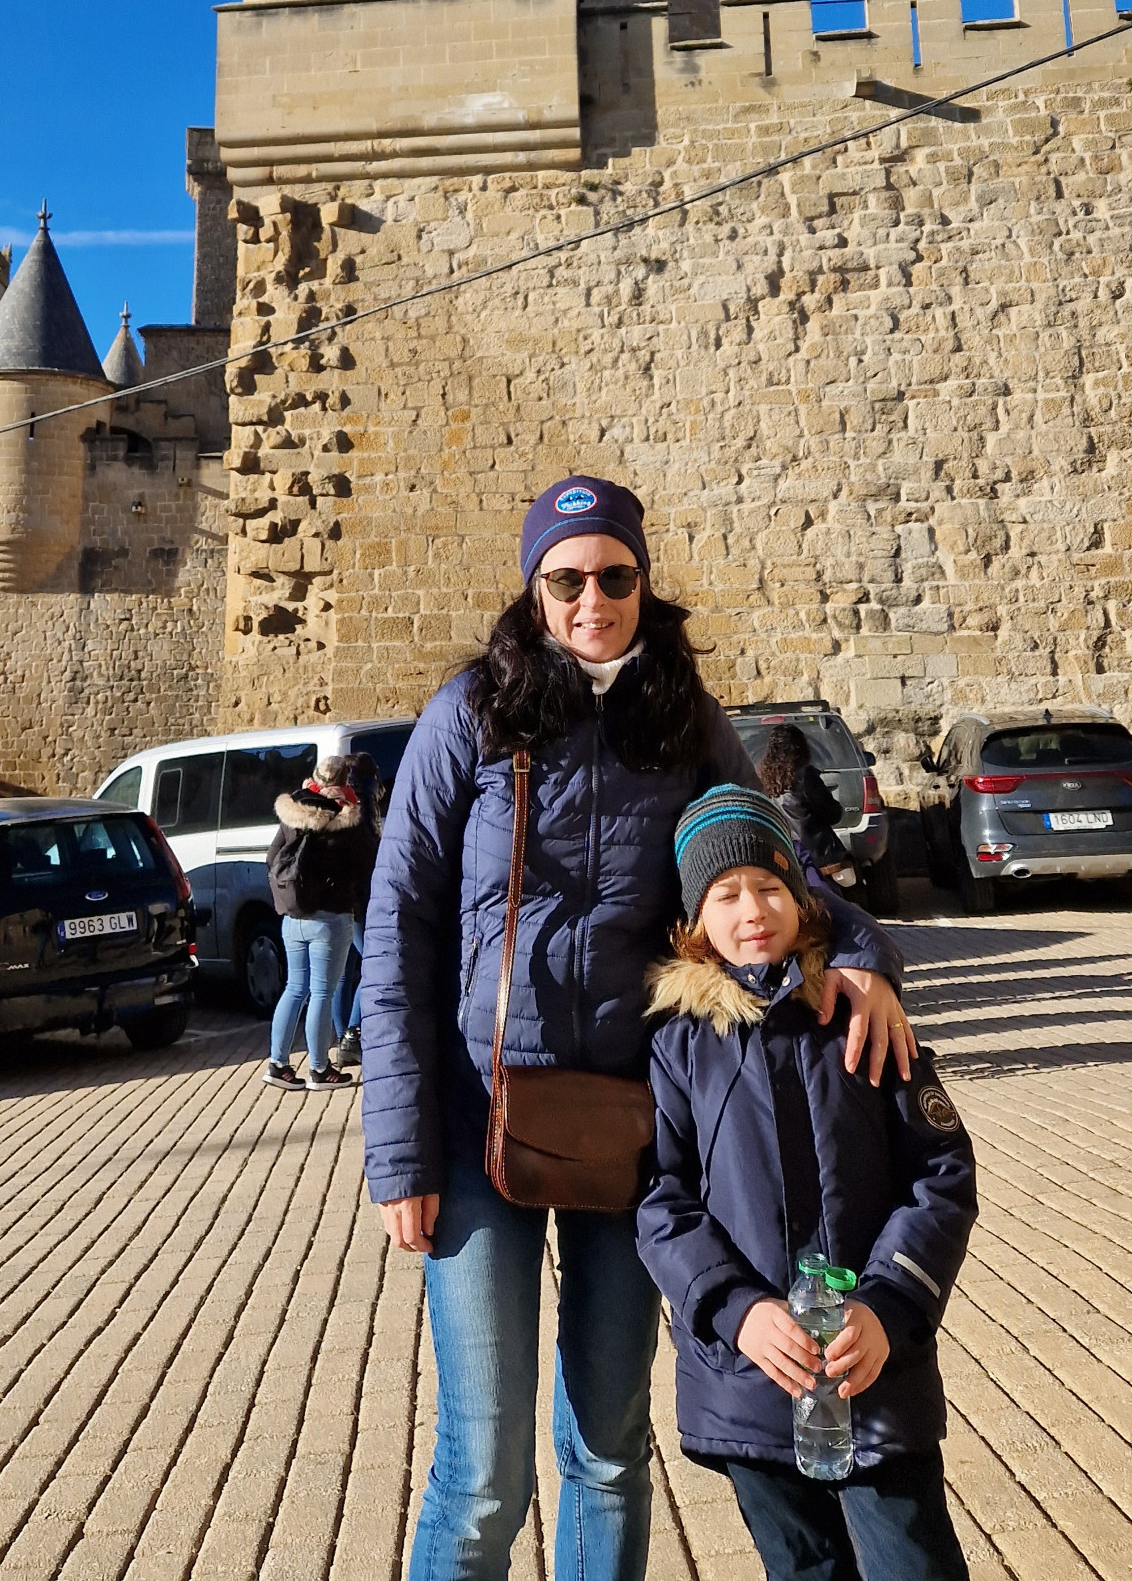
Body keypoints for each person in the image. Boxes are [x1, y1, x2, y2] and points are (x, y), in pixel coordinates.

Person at [362, 476, 916, 1581]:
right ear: (531, 591)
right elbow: (397, 925)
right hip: (479, 1117)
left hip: (635, 1122)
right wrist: (397, 1149)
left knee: (609, 1450)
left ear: (642, 581)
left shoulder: (678, 710)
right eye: (564, 578)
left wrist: (858, 954)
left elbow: (775, 870)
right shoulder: (467, 711)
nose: (591, 599)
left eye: (614, 575)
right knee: (481, 1467)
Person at [639, 786, 977, 1581]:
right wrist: (735, 1310)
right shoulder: (678, 1046)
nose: (752, 908)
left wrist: (892, 1304)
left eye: (771, 886)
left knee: (912, 1561)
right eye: (726, 894)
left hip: (873, 1368)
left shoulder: (858, 1013)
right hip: (750, 1381)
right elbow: (662, 1199)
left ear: (802, 898)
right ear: (696, 923)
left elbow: (940, 1172)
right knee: (804, 1568)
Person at [265, 734, 376, 1092]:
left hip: (293, 917)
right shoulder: (347, 819)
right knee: (323, 992)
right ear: (345, 782)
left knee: (294, 988)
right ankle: (319, 1069)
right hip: (331, 917)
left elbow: (273, 859)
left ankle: (278, 1064)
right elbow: (367, 865)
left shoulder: (293, 813)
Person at [330, 748, 384, 1071]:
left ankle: (341, 1036)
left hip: (342, 899)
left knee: (344, 971)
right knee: (373, 963)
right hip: (360, 901)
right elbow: (367, 858)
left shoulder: (342, 804)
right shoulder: (363, 809)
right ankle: (351, 1033)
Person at [758, 724, 858, 895]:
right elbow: (831, 812)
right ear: (800, 748)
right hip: (817, 854)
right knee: (831, 903)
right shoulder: (805, 775)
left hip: (785, 853)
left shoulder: (765, 779)